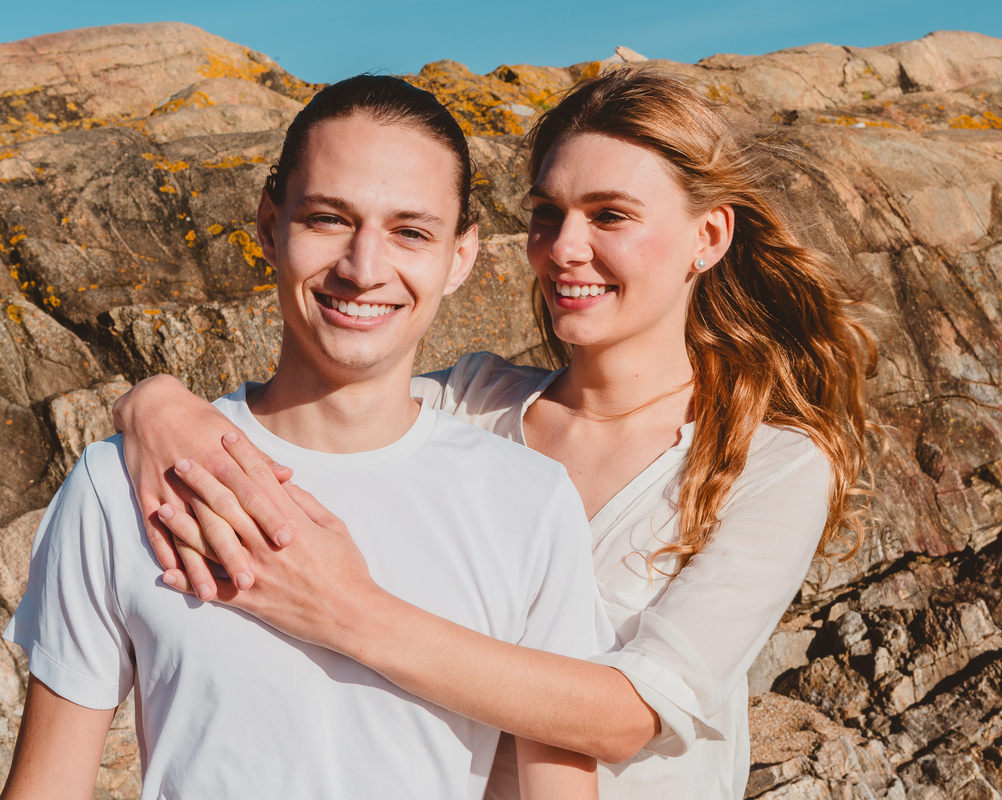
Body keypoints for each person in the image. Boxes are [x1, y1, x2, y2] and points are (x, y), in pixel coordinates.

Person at [112, 67, 878, 799]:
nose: (563, 248)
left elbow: (624, 716)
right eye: (548, 214)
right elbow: (315, 410)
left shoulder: (772, 465)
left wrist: (346, 609)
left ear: (708, 236)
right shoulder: (471, 405)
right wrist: (155, 401)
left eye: (608, 215)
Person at [1, 75, 611, 800]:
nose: (363, 269)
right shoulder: (123, 487)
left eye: (411, 231)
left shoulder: (528, 502)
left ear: (461, 256)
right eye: (328, 218)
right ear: (269, 223)